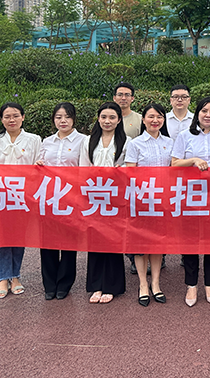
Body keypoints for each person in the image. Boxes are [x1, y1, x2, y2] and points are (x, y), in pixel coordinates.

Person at [0, 102, 42, 299]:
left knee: (18, 237)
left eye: (15, 116)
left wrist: (39, 165)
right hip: (0, 196)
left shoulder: (34, 140)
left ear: (23, 117)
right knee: (1, 237)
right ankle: (3, 278)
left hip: (23, 196)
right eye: (7, 116)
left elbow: (38, 164)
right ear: (1, 119)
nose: (11, 120)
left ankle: (15, 276)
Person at [172, 96, 210, 307]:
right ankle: (191, 284)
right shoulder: (184, 136)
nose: (208, 115)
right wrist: (194, 160)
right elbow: (174, 163)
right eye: (204, 111)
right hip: (189, 195)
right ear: (197, 113)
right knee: (190, 241)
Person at [125, 102, 174, 307]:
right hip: (142, 201)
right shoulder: (135, 143)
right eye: (151, 116)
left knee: (157, 244)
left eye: (159, 117)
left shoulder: (170, 142)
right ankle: (143, 284)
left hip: (163, 201)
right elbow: (130, 172)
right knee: (140, 245)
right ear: (143, 119)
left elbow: (174, 171)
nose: (155, 120)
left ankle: (156, 283)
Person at [35, 102, 85, 300]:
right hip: (48, 198)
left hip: (71, 198)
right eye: (58, 117)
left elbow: (85, 168)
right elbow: (39, 165)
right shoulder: (47, 141)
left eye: (67, 116)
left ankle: (64, 283)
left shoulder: (83, 140)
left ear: (74, 119)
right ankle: (49, 284)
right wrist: (39, 165)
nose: (63, 121)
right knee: (47, 242)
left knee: (69, 243)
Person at [79, 102, 128, 304]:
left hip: (115, 197)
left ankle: (112, 286)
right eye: (104, 117)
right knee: (95, 241)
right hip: (94, 197)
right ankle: (96, 285)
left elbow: (128, 168)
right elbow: (83, 167)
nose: (107, 121)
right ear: (98, 119)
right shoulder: (88, 141)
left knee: (113, 241)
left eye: (112, 117)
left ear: (119, 120)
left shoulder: (127, 141)